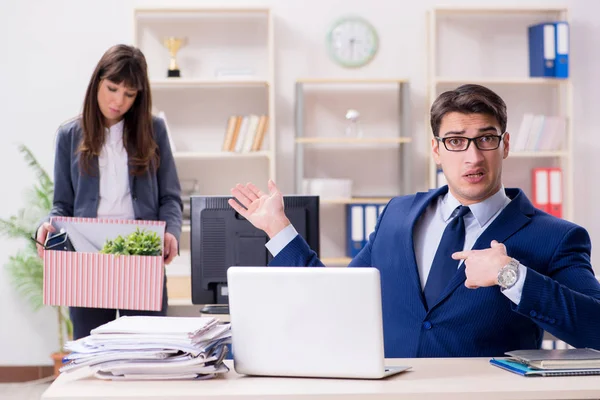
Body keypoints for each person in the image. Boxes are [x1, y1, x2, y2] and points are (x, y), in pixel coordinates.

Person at [229, 84, 600, 358]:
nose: (472, 157)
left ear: (504, 145)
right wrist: (278, 229)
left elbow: (595, 326)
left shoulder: (556, 237)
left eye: (485, 139)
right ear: (437, 150)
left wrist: (512, 276)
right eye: (456, 141)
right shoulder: (398, 214)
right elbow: (335, 297)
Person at [35, 44, 183, 340]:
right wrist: (47, 226)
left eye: (129, 94)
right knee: (91, 353)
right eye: (112, 88)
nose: (118, 101)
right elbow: (62, 204)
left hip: (142, 253)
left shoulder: (154, 130)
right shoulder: (69, 135)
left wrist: (171, 233)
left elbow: (170, 197)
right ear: (97, 82)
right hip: (86, 256)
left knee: (145, 352)